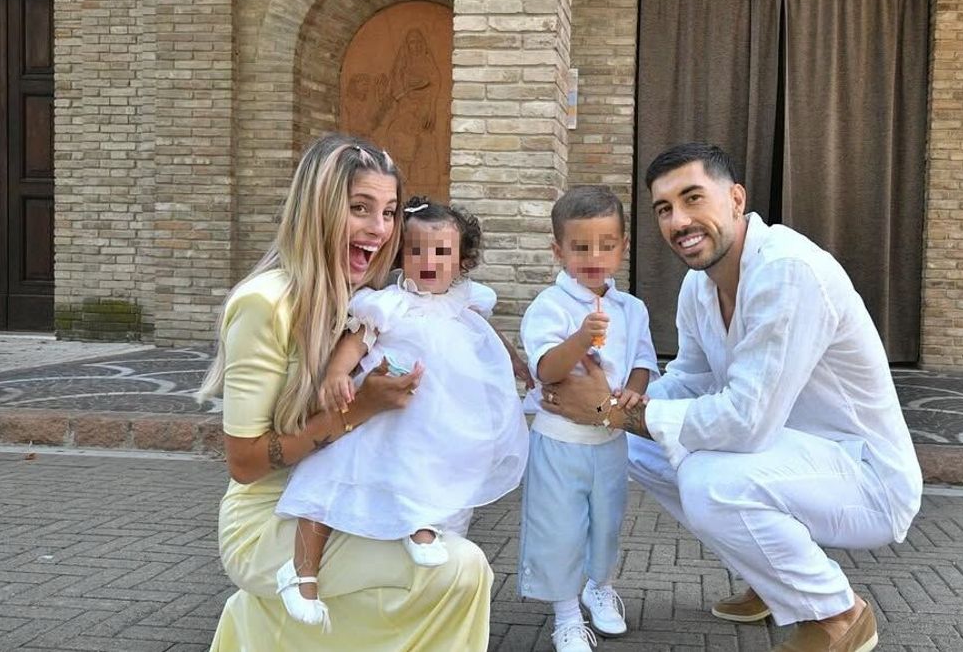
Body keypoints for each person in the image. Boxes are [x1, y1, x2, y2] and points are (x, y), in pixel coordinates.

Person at [539, 143, 923, 652]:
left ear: (736, 199)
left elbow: (745, 422)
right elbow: (691, 380)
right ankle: (773, 578)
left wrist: (608, 411)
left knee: (709, 481)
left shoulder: (788, 272)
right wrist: (606, 401)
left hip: (865, 479)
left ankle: (838, 615)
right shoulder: (699, 287)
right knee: (630, 446)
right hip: (791, 459)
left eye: (693, 198)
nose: (679, 220)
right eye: (664, 209)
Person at [202, 135, 493, 651]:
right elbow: (244, 463)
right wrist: (362, 408)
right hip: (272, 518)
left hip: (356, 493)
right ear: (318, 209)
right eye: (360, 208)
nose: (379, 229)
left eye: (389, 212)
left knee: (443, 560)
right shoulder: (265, 303)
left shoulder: (367, 296)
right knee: (460, 568)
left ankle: (266, 626)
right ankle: (262, 615)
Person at [274, 198, 530, 630]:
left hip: (440, 418)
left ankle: (421, 527)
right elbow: (358, 339)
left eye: (442, 252)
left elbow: (490, 334)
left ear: (462, 260)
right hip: (384, 415)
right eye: (416, 251)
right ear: (399, 255)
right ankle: (301, 573)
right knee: (329, 477)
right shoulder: (390, 302)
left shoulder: (464, 302)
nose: (429, 261)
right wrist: (336, 373)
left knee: (437, 469)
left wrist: (517, 362)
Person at [518, 186, 659, 652]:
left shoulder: (632, 309)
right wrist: (581, 338)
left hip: (610, 440)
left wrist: (633, 390)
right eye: (580, 247)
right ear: (558, 250)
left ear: (623, 246)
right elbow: (546, 370)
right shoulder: (550, 306)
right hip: (560, 440)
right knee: (558, 528)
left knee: (606, 522)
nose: (594, 257)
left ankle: (599, 587)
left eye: (606, 245)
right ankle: (565, 615)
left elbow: (643, 360)